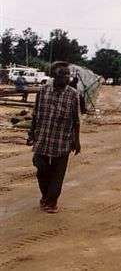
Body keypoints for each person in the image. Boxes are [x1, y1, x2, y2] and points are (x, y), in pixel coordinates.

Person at [26, 61, 81, 214]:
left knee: (58, 174)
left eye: (68, 75)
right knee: (41, 170)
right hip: (42, 139)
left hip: (62, 141)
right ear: (54, 77)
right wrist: (31, 135)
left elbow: (76, 120)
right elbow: (35, 115)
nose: (67, 78)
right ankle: (45, 195)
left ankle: (52, 201)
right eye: (63, 75)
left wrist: (76, 141)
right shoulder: (42, 91)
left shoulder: (72, 94)